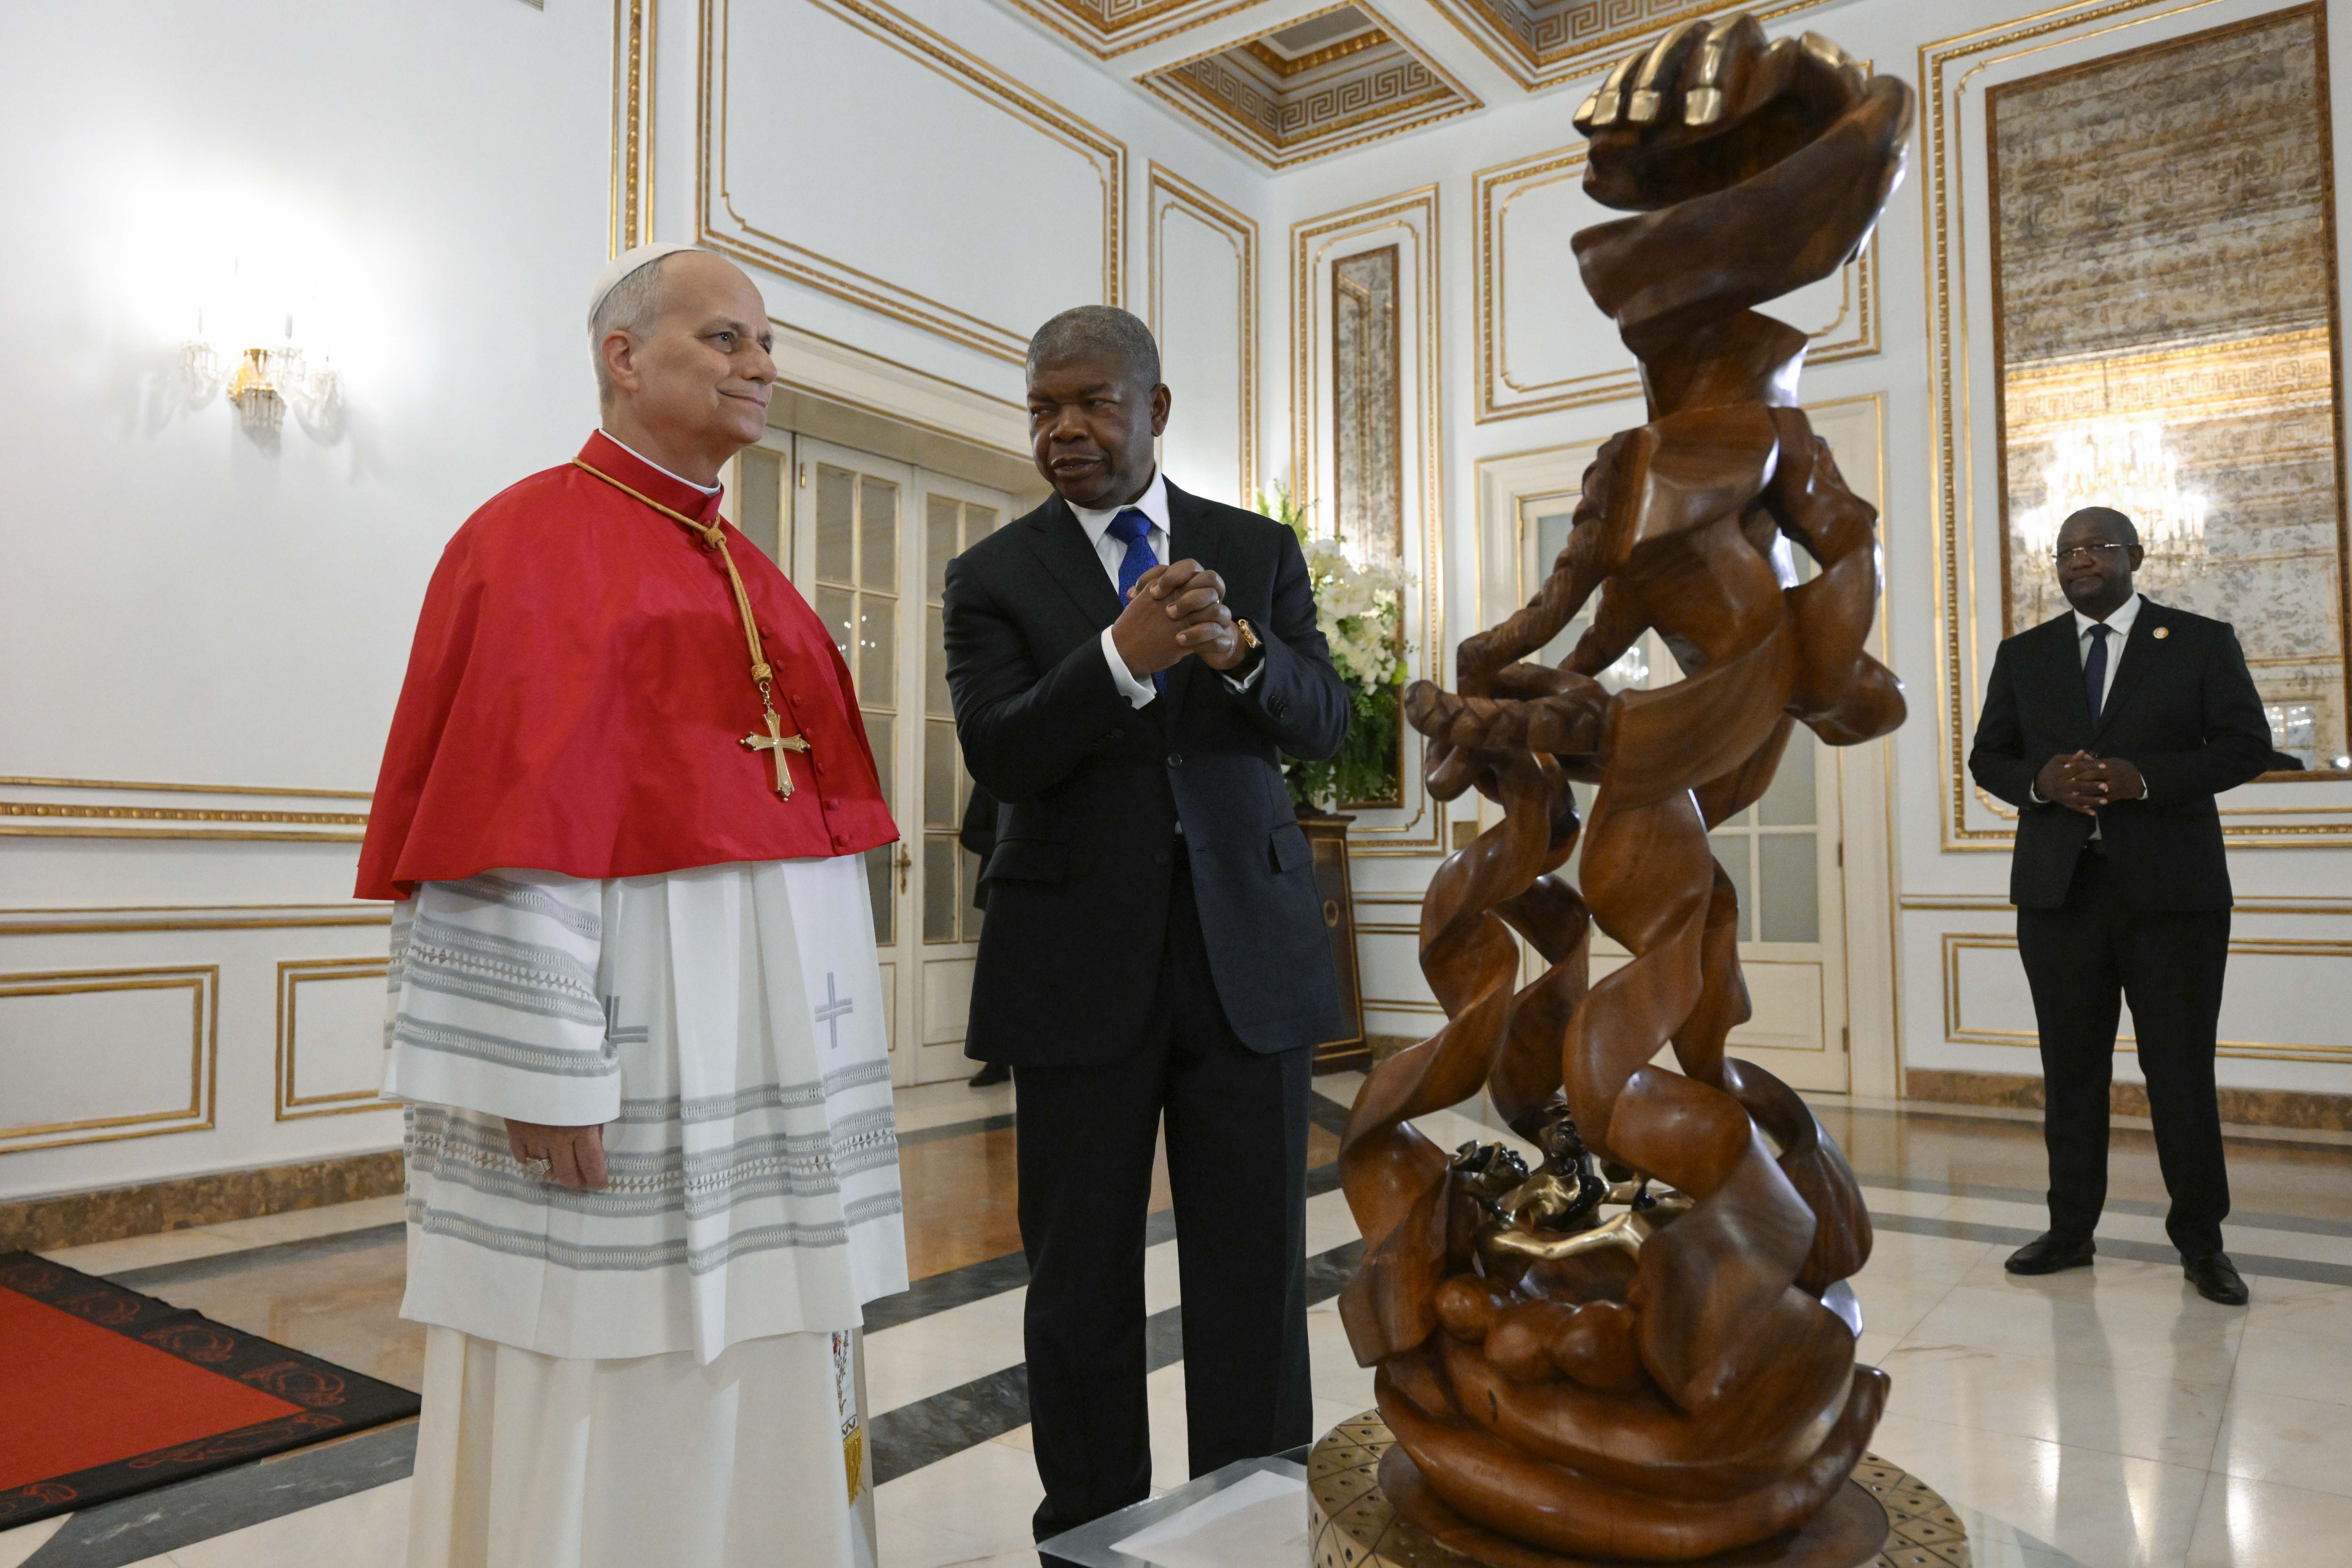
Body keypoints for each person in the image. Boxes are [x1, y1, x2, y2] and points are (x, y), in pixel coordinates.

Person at [357, 243, 907, 1568]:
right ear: (624, 355)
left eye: (766, 344)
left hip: (768, 1051)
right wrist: (537, 1058)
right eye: (727, 338)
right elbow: (504, 817)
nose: (761, 367)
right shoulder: (530, 541)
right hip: (630, 1054)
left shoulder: (741, 565)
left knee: (764, 1336)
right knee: (614, 1352)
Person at [942, 306, 1350, 1548]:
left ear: (1153, 409)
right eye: (1042, 409)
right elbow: (999, 751)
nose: (1063, 429)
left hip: (1247, 959)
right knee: (1077, 1284)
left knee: (1253, 1271)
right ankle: (1090, 1525)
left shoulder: (1253, 548)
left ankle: (1251, 1514)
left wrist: (1237, 654)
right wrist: (1117, 658)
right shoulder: (992, 575)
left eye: (1092, 404)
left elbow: (1324, 719)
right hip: (1073, 964)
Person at [1968, 505, 2272, 1306]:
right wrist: (2039, 785)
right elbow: (1987, 755)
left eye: (2096, 546)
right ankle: (2070, 1231)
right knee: (2071, 1071)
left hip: (2173, 897)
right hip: (2059, 893)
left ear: (2135, 554)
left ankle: (2201, 1243)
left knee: (2178, 1070)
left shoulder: (2199, 641)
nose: (2079, 560)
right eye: (2065, 550)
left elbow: (2246, 744)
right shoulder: (2024, 654)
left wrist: (2147, 779)